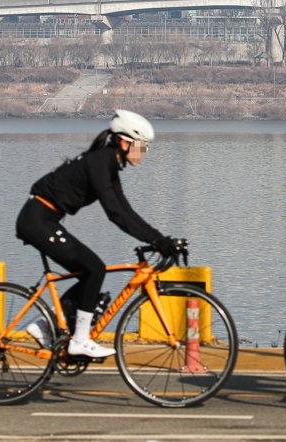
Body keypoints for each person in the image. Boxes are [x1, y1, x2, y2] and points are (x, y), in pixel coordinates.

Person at [16, 109, 177, 358]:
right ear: (124, 142)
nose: (144, 153)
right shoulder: (100, 162)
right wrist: (157, 240)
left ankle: (43, 324)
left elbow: (126, 211)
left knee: (89, 272)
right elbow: (115, 214)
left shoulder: (109, 165)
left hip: (45, 219)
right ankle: (79, 339)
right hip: (37, 221)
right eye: (142, 146)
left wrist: (159, 238)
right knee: (95, 269)